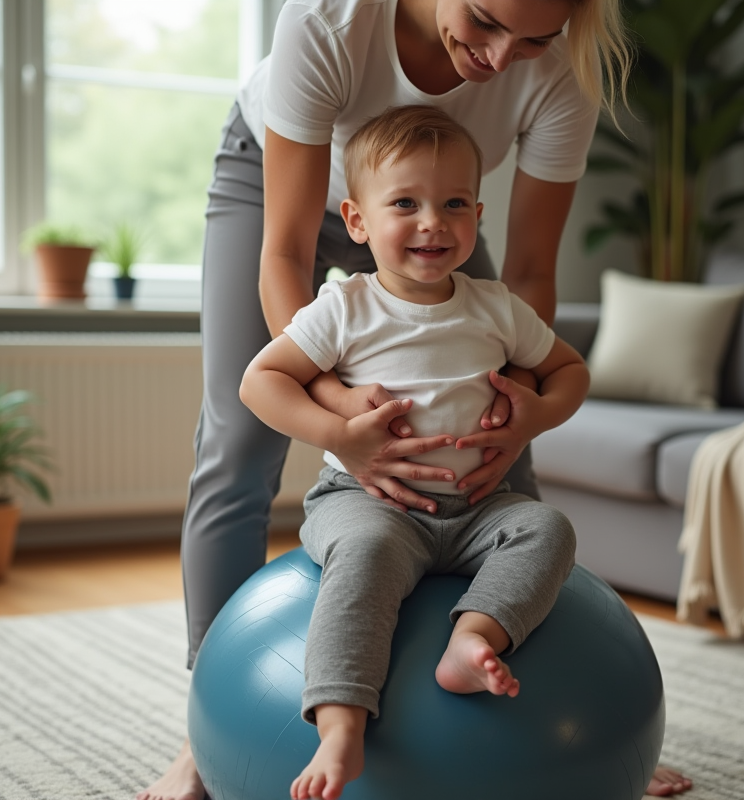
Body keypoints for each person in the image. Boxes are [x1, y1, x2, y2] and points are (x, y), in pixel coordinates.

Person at [138, 0, 693, 797]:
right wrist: (342, 417)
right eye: (485, 20)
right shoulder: (332, 23)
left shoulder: (560, 74)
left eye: (534, 38)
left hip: (435, 212)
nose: (502, 58)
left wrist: (517, 410)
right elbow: (290, 254)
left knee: (491, 414)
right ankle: (207, 727)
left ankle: (581, 725)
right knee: (239, 436)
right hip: (282, 192)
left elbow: (530, 277)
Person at [241, 104, 585, 799]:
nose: (433, 221)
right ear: (358, 220)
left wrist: (535, 417)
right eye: (406, 203)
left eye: (454, 203)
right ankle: (340, 727)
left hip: (480, 508)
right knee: (363, 560)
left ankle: (473, 638)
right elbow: (262, 380)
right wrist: (337, 434)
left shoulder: (497, 307)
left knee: (548, 528)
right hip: (367, 504)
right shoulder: (343, 307)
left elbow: (570, 371)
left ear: (478, 215)